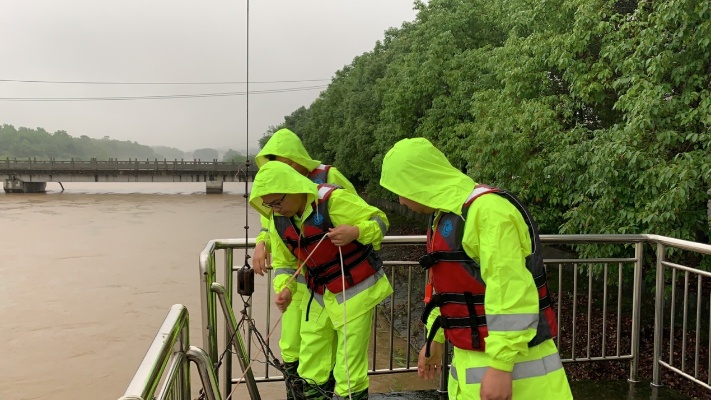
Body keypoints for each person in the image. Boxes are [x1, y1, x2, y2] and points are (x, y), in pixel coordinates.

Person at [379, 138, 573, 400]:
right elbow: (447, 290)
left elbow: (511, 291)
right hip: (474, 365)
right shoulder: (447, 215)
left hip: (521, 379)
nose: (400, 201)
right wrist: (435, 338)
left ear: (419, 182)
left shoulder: (488, 212)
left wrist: (501, 366)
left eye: (400, 190)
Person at [249, 161, 392, 400]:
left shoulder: (333, 201)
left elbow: (380, 221)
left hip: (355, 290)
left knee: (349, 366)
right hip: (319, 292)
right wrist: (285, 288)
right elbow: (285, 263)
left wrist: (355, 232)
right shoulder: (278, 220)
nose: (275, 208)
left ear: (294, 189)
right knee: (311, 358)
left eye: (278, 201)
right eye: (269, 205)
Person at [251, 128, 357, 399]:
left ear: (297, 158)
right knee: (292, 344)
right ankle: (295, 393)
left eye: (285, 161)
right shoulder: (277, 195)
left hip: (330, 280)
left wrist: (352, 233)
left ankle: (324, 392)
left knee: (325, 347)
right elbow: (271, 222)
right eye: (274, 163)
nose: (281, 168)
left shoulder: (329, 178)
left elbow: (353, 211)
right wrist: (262, 242)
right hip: (298, 282)